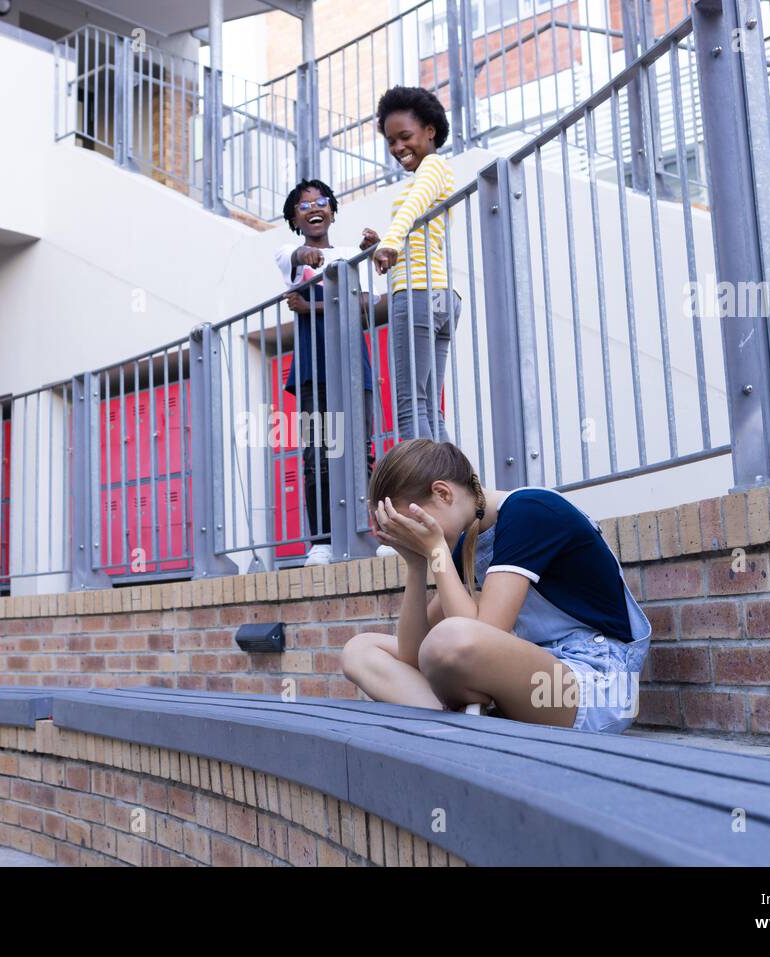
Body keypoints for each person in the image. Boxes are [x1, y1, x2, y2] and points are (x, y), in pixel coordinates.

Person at [340, 440, 652, 733]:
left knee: (448, 639)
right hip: (533, 673)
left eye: (413, 522)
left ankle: (463, 726)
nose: (413, 534)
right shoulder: (464, 541)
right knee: (361, 649)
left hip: (594, 686)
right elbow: (412, 655)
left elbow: (478, 636)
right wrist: (417, 565)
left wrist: (436, 551)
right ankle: (456, 729)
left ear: (443, 493)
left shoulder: (528, 511)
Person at [273, 179, 394, 567]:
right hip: (313, 372)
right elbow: (297, 260)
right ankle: (322, 542)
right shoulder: (287, 252)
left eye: (322, 201)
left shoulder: (348, 254)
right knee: (317, 455)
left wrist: (311, 308)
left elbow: (364, 303)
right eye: (304, 204)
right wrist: (308, 260)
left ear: (332, 209)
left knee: (363, 452)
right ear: (295, 218)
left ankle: (373, 533)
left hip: (353, 366)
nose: (314, 207)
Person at [369, 86, 459, 443]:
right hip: (440, 294)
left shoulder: (433, 166)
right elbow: (422, 234)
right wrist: (382, 243)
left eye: (404, 136)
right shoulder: (436, 172)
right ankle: (457, 487)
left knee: (409, 404)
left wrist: (390, 243)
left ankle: (421, 490)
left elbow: (414, 205)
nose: (397, 148)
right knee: (429, 407)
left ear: (430, 131)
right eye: (391, 141)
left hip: (417, 294)